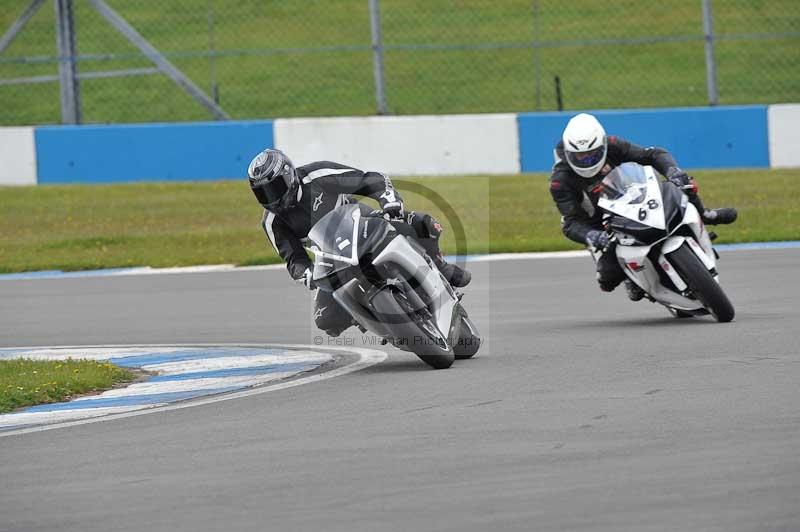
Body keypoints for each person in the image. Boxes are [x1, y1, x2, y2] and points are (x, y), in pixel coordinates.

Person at [247, 148, 470, 336]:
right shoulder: (272, 222)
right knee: (325, 320)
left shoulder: (318, 175)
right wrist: (305, 273)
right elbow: (293, 258)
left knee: (421, 223)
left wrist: (388, 200)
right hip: (332, 260)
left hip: (364, 227)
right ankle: (370, 316)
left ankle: (440, 266)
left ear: (289, 175)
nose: (271, 197)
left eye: (274, 188)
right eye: (263, 194)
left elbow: (368, 180)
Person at [549, 113, 737, 299]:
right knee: (607, 278)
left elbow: (653, 154)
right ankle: (632, 278)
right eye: (581, 156)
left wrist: (673, 171)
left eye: (592, 154)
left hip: (631, 198)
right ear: (568, 154)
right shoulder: (560, 181)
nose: (587, 160)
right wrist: (592, 235)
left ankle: (704, 215)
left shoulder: (613, 144)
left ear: (603, 146)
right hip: (598, 222)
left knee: (684, 184)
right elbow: (571, 222)